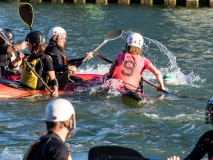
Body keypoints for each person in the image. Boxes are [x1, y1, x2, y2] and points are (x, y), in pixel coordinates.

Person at [13, 31, 58, 96]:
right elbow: (12, 67)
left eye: (28, 43)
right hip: (22, 87)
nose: (27, 44)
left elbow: (53, 79)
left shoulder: (45, 59)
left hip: (35, 93)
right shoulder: (27, 57)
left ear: (33, 44)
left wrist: (55, 91)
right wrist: (17, 60)